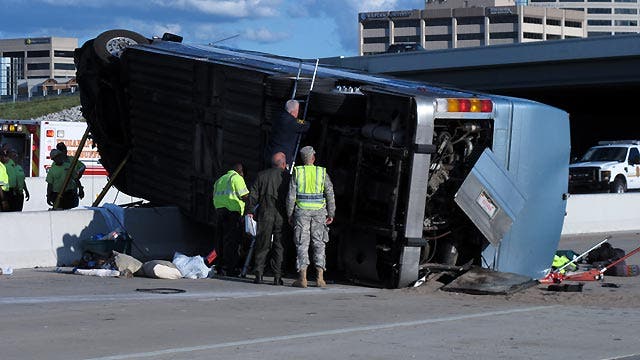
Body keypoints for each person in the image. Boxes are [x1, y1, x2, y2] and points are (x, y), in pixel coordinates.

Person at [286, 146, 336, 288]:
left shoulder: (298, 172)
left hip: (301, 212)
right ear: (313, 158)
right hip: (319, 212)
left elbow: (291, 196)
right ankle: (320, 278)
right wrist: (331, 213)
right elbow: (330, 193)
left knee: (302, 243)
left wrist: (290, 214)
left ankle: (303, 278)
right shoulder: (321, 172)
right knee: (319, 243)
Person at [246, 152, 289, 285]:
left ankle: (258, 274)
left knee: (262, 243)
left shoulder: (262, 175)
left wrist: (249, 211)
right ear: (283, 163)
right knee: (279, 245)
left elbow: (253, 195)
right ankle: (277, 277)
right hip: (281, 214)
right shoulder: (288, 177)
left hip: (265, 213)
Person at [213, 163, 249, 276]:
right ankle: (230, 269)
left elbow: (214, 195)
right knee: (232, 242)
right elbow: (245, 196)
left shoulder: (220, 179)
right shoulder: (237, 178)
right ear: (240, 171)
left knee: (221, 240)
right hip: (232, 213)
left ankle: (220, 267)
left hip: (219, 212)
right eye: (243, 173)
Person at [264, 99, 310, 168]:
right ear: (292, 112)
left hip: (271, 152)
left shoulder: (278, 116)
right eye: (297, 111)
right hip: (283, 156)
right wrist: (301, 121)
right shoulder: (292, 122)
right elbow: (306, 125)